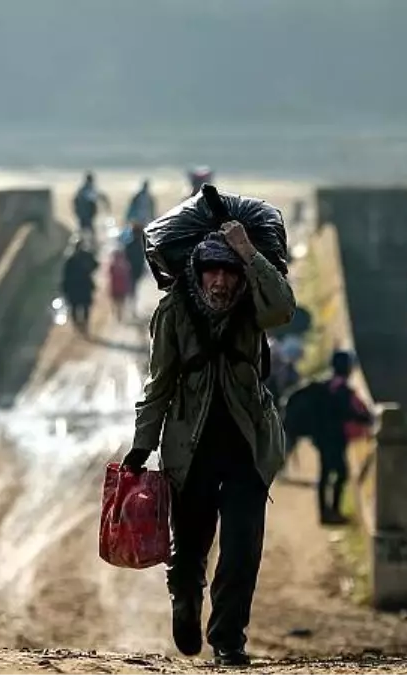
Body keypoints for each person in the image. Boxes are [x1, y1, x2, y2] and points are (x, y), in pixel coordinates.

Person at [122, 222, 295, 666]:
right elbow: (158, 383)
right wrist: (142, 446)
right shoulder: (173, 313)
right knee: (191, 545)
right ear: (198, 273)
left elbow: (283, 309)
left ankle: (228, 639)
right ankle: (185, 598)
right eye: (212, 271)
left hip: (247, 447)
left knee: (241, 549)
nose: (220, 281)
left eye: (229, 271)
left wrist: (249, 253)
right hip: (189, 447)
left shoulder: (255, 306)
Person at [289, 350, 374, 525]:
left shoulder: (324, 385)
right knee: (341, 473)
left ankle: (326, 513)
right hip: (334, 438)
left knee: (326, 473)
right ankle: (332, 512)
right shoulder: (341, 389)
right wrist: (367, 419)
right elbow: (347, 413)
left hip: (321, 436)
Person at [60, 236, 98, 333]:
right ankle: (80, 326)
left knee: (78, 307)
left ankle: (81, 326)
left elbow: (96, 264)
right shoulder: (76, 258)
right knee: (79, 307)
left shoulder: (71, 258)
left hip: (77, 286)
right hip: (80, 286)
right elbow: (96, 264)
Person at [73, 171, 111, 240]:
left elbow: (75, 201)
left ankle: (84, 242)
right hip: (86, 214)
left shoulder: (82, 190)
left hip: (83, 214)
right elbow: (94, 197)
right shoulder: (88, 189)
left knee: (84, 229)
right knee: (88, 229)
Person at [108, 248, 133, 322]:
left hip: (116, 287)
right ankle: (119, 315)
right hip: (121, 287)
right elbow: (128, 277)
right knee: (120, 302)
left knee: (117, 302)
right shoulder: (125, 264)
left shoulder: (113, 265)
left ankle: (118, 315)